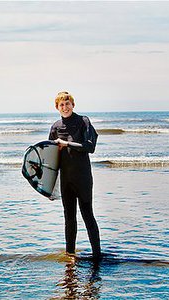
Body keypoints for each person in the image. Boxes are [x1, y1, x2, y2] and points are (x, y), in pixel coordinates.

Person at [48, 91, 101, 259]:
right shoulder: (55, 127)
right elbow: (50, 158)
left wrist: (67, 143)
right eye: (61, 105)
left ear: (73, 104)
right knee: (69, 218)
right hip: (66, 180)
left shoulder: (83, 121)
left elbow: (90, 147)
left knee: (87, 216)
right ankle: (70, 256)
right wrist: (48, 185)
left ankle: (97, 256)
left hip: (83, 178)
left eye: (67, 103)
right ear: (57, 107)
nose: (65, 107)